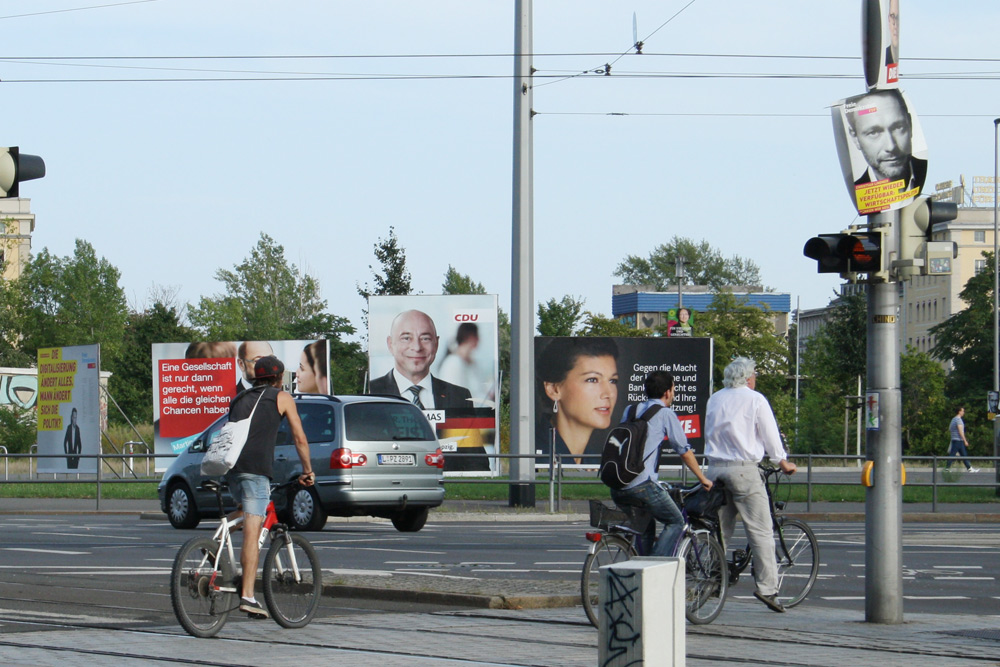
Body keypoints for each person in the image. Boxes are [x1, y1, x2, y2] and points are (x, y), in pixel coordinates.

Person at [224, 355, 315, 618]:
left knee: (243, 516)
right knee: (252, 532)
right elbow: (299, 437)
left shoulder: (239, 399)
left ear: (255, 377)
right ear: (279, 379)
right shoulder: (281, 398)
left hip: (231, 470)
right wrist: (308, 471)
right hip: (255, 471)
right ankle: (248, 597)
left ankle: (215, 544)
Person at [703, 357, 796, 613]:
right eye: (754, 374)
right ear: (747, 377)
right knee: (761, 530)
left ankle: (712, 578)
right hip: (743, 470)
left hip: (714, 468)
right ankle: (768, 589)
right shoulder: (755, 399)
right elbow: (769, 434)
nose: (755, 378)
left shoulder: (715, 398)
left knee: (719, 530)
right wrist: (782, 462)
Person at [610, 371, 712, 557]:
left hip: (618, 485)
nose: (673, 394)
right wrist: (703, 478)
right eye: (673, 389)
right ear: (667, 392)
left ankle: (643, 574)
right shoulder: (665, 413)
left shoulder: (630, 410)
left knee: (646, 530)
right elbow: (684, 451)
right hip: (642, 485)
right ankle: (654, 568)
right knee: (676, 522)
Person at [536, 337, 619, 464]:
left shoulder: (596, 461)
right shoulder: (535, 453)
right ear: (554, 389)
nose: (608, 394)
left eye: (613, 381)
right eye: (592, 379)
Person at [369, 309, 472, 410]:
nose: (417, 347)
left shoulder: (461, 397)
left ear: (436, 344)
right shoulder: (370, 393)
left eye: (425, 339)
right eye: (406, 338)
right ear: (390, 344)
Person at [846, 89, 926, 191]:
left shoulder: (934, 174)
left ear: (910, 124)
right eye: (874, 132)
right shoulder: (853, 192)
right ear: (855, 138)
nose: (891, 146)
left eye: (898, 128)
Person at [437, 322, 492, 402]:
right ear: (470, 337)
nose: (479, 340)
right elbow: (456, 399)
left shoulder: (473, 363)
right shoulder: (453, 363)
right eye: (477, 336)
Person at [945, 406, 978, 472]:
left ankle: (969, 468)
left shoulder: (953, 419)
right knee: (953, 454)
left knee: (964, 454)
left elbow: (950, 429)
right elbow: (960, 431)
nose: (963, 412)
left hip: (955, 439)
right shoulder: (958, 420)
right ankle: (947, 468)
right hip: (958, 440)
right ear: (959, 412)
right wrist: (965, 440)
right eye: (962, 411)